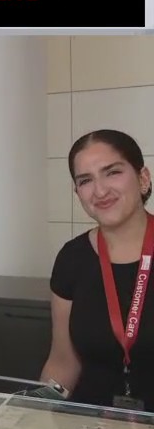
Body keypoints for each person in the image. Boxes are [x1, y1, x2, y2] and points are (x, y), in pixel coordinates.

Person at [41, 129, 153, 410]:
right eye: (85, 180)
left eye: (112, 172)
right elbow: (63, 361)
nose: (100, 191)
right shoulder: (72, 258)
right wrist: (38, 415)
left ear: (143, 178)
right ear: (77, 191)